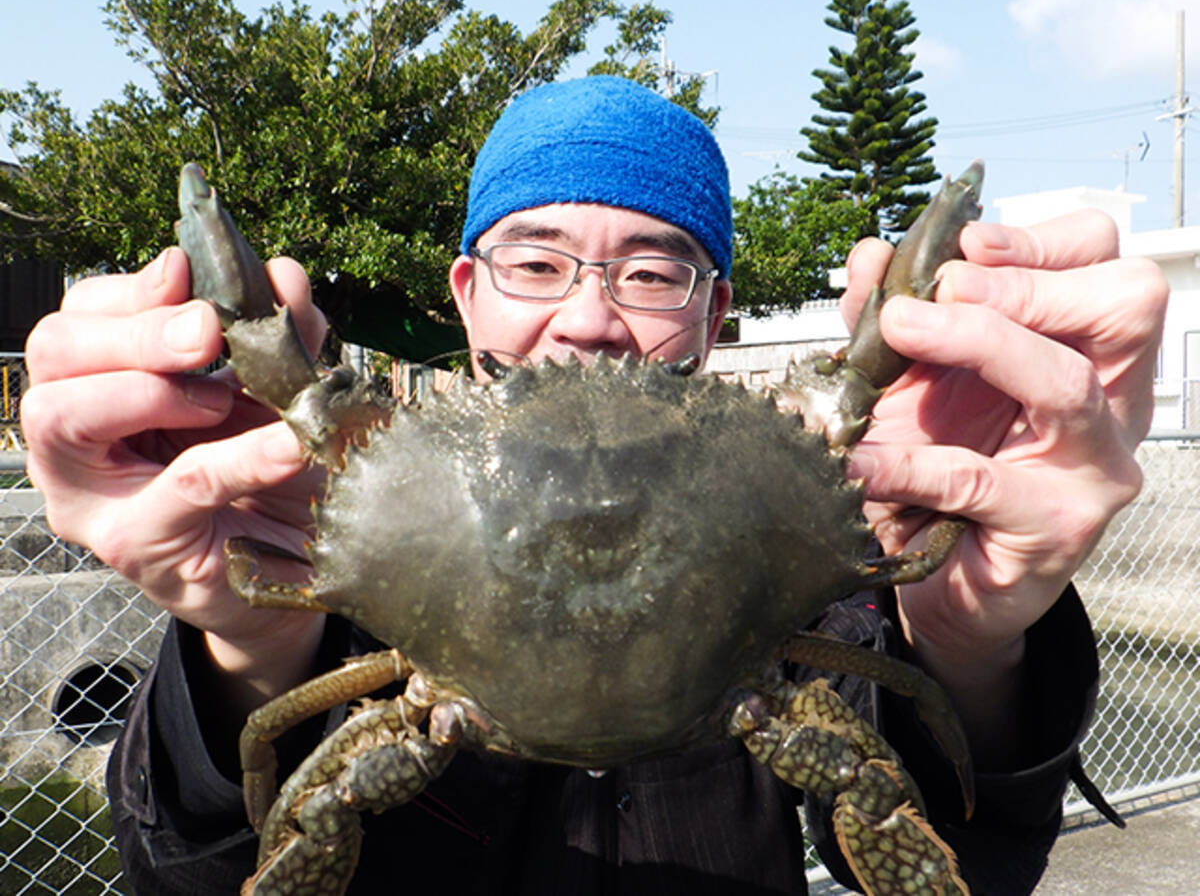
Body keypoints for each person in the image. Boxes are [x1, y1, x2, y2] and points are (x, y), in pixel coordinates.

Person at [21, 75, 1166, 895]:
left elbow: (963, 849)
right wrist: (243, 648)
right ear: (466, 293)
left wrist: (971, 641)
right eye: (535, 260)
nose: (587, 321)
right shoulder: (343, 536)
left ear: (716, 318)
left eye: (654, 271)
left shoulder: (805, 542)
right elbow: (193, 864)